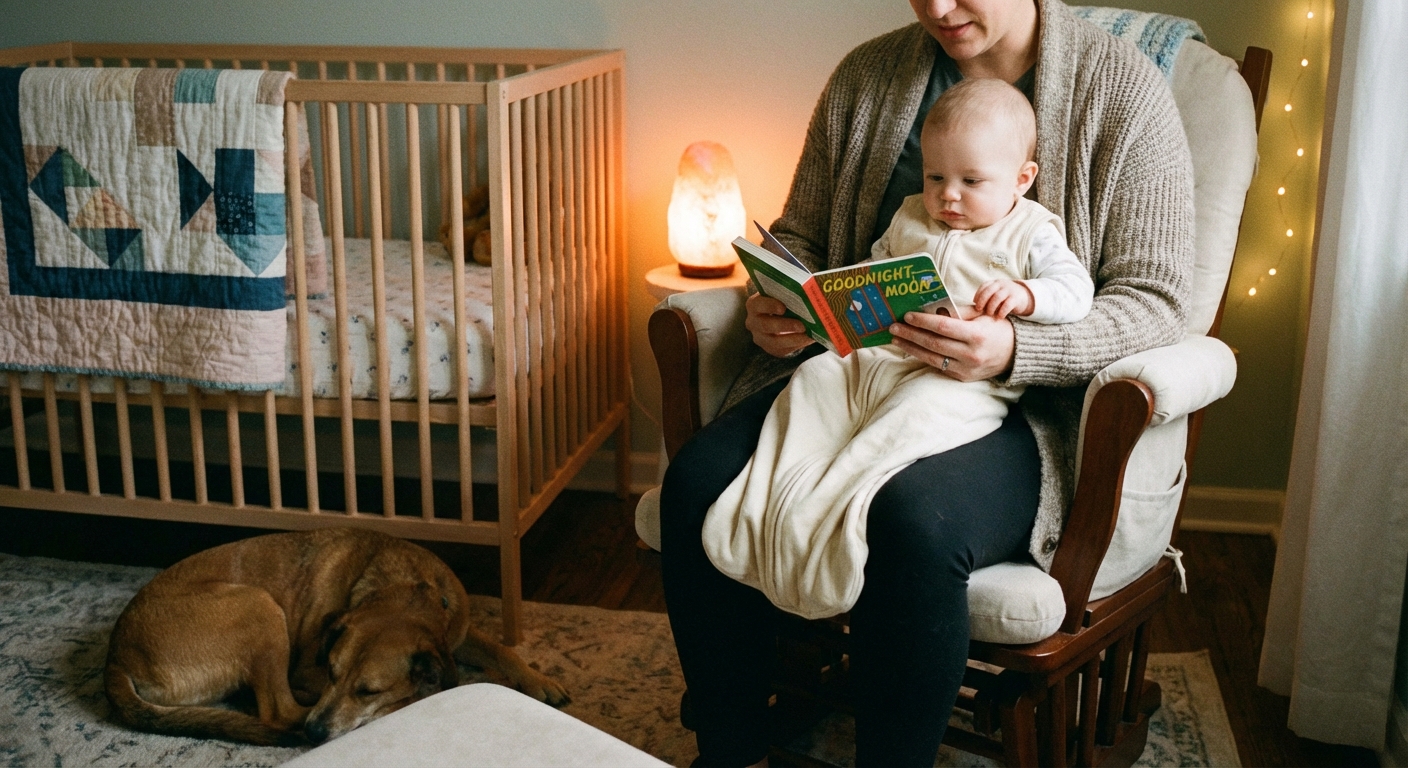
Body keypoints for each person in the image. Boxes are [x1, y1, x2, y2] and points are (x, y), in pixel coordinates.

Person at [659, 0, 1195, 765]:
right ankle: (731, 742)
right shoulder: (868, 79)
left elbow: (1156, 302)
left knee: (912, 522)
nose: (938, 8)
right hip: (859, 374)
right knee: (696, 483)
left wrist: (1015, 347)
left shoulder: (1123, 93)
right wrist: (784, 307)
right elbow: (807, 237)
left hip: (1020, 409)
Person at [701, 77, 1095, 621]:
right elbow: (874, 266)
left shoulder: (1031, 232)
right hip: (880, 357)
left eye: (971, 180)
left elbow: (1078, 293)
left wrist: (1028, 295)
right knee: (815, 380)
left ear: (1022, 180)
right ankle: (784, 484)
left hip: (957, 378)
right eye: (935, 176)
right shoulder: (912, 214)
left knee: (914, 416)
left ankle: (837, 497)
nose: (948, 195)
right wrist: (830, 301)